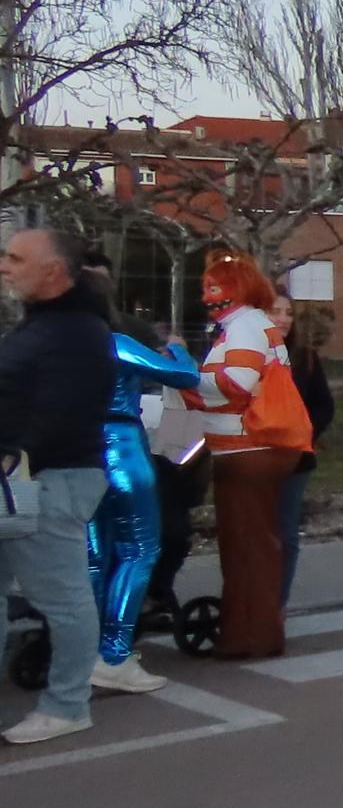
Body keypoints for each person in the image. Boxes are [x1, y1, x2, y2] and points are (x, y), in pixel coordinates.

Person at [0, 229, 113, 744]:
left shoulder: (77, 332)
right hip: (24, 480)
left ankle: (68, 704)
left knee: (63, 599)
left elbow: (63, 414)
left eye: (16, 258)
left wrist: (16, 459)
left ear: (54, 273)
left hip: (45, 482)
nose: (4, 265)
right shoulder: (43, 325)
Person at [182, 251, 308, 660]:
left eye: (215, 288)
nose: (207, 297)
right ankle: (250, 631)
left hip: (247, 448)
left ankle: (249, 636)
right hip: (247, 447)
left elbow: (236, 383)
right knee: (248, 546)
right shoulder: (247, 326)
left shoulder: (246, 326)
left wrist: (181, 375)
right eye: (205, 288)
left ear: (236, 289)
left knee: (246, 547)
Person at [86, 275, 199, 694]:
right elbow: (182, 377)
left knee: (95, 555)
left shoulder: (59, 348)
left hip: (80, 453)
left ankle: (84, 647)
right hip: (122, 449)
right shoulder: (113, 343)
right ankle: (114, 653)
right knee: (138, 550)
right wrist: (180, 351)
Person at [271, 297, 335, 607]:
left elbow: (324, 405)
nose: (283, 319)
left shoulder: (304, 358)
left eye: (289, 313)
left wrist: (305, 430)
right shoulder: (248, 356)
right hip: (252, 458)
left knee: (286, 534)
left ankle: (276, 604)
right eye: (275, 312)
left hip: (295, 458)